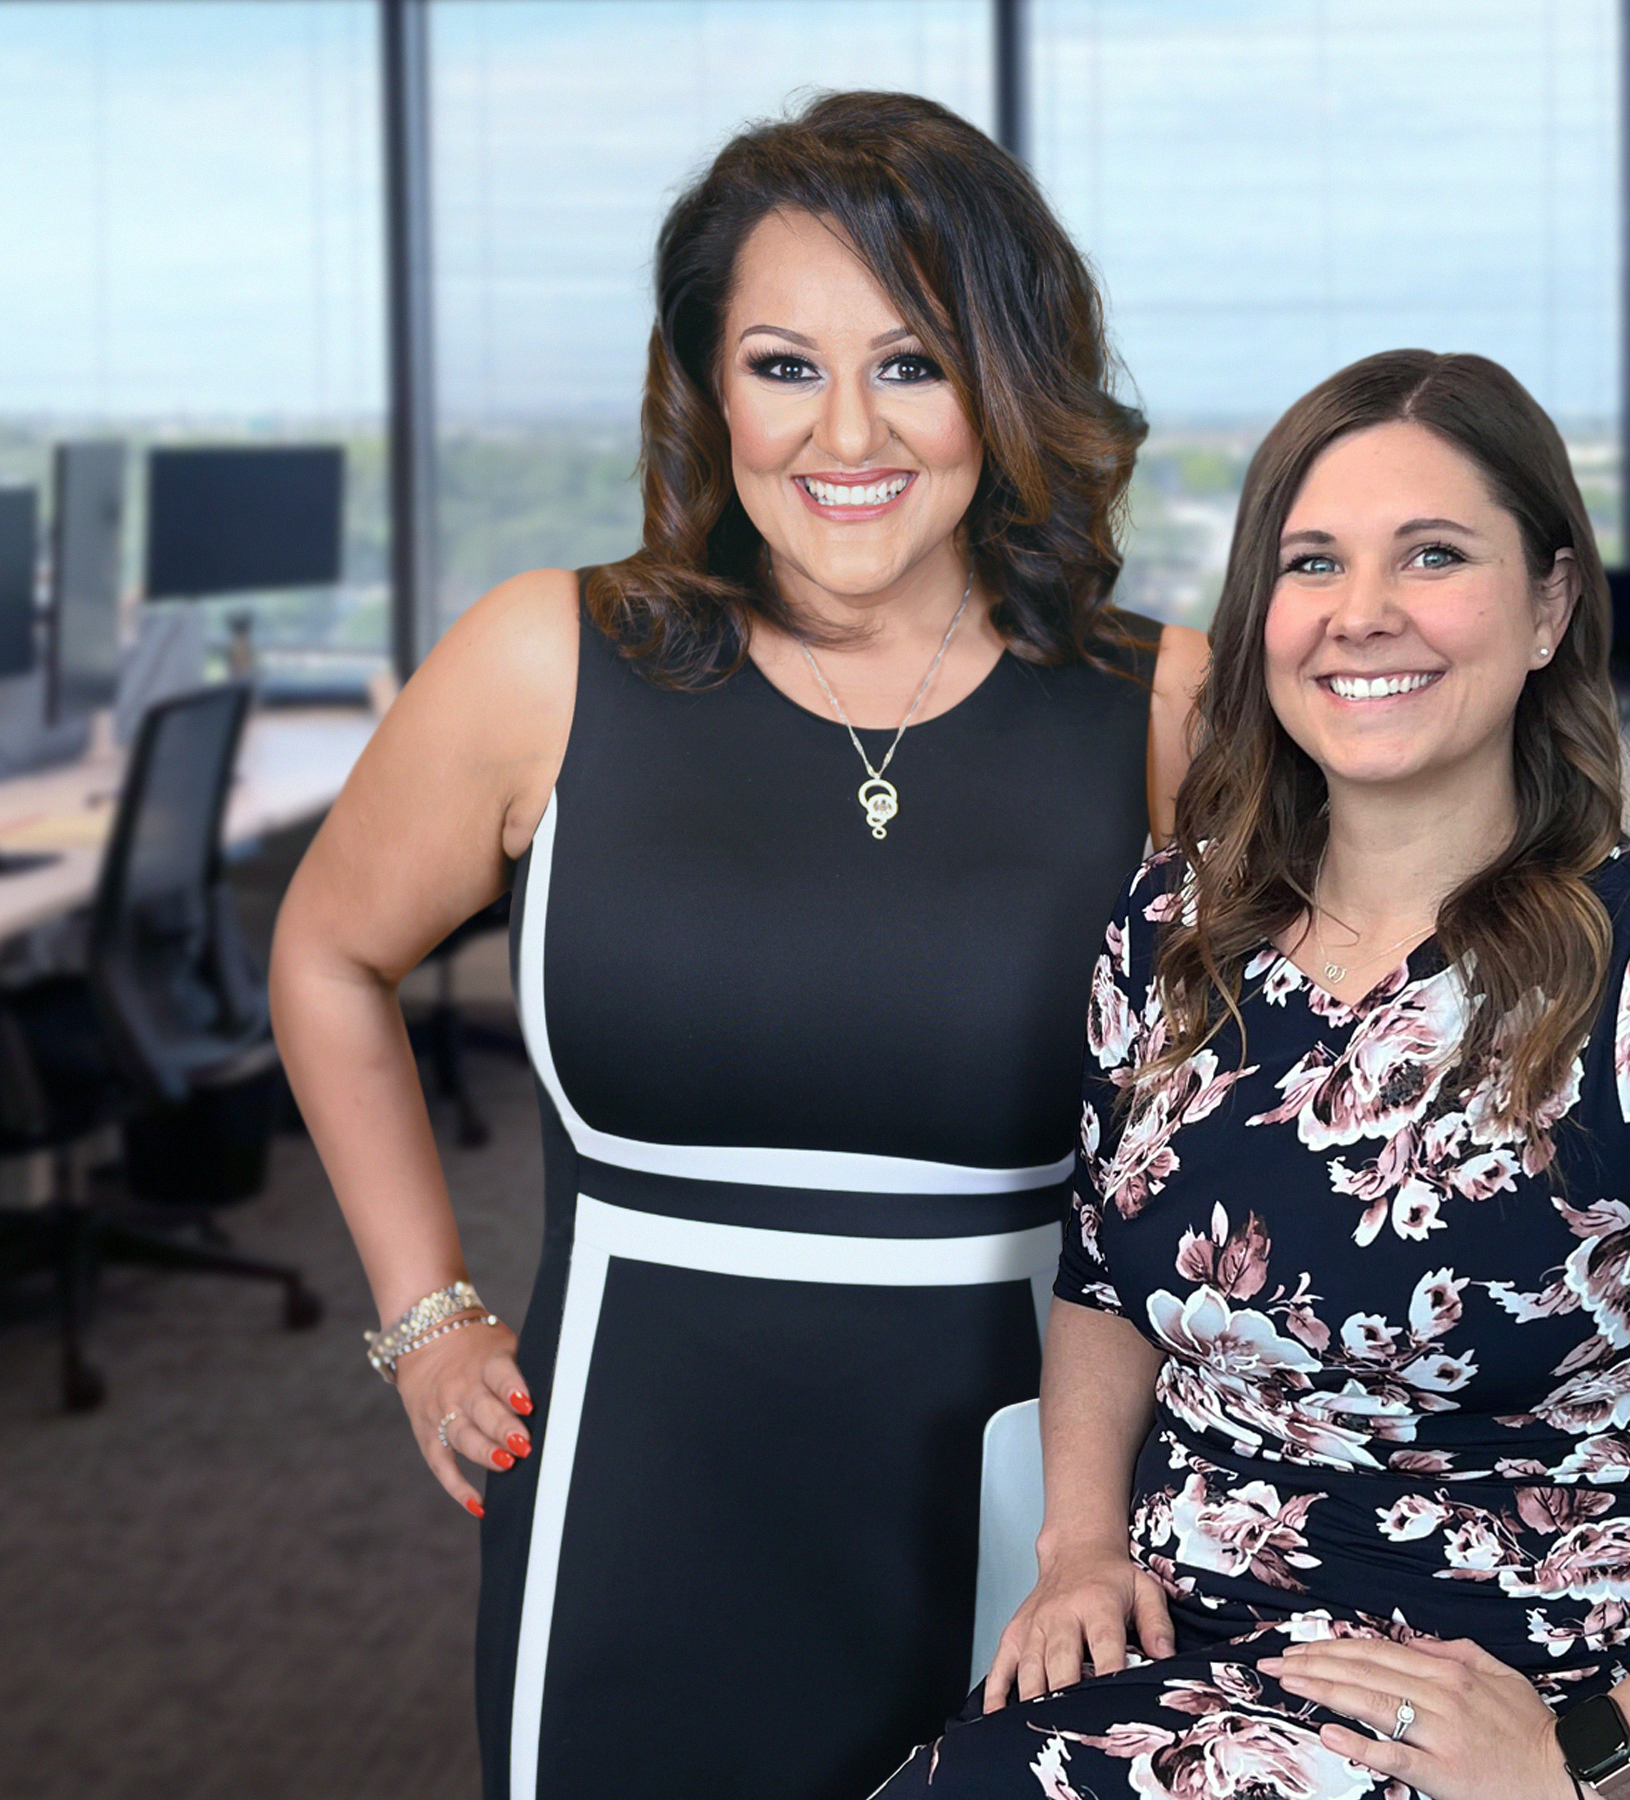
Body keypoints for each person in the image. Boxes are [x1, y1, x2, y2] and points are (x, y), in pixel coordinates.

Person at [878, 350, 1630, 1800]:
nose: (1363, 613)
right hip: (1182, 1635)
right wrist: (1079, 1542)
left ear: (1548, 606)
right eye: (1312, 562)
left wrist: (1591, 1761)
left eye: (1434, 555)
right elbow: (1105, 1277)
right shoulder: (1172, 927)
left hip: (1511, 1700)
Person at [268, 92, 1206, 1799]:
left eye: (913, 362)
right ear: (711, 385)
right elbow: (327, 955)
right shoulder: (549, 658)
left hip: (1038, 1514)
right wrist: (426, 1321)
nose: (845, 431)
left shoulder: (1164, 705)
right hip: (638, 1488)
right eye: (784, 365)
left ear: (1008, 379)